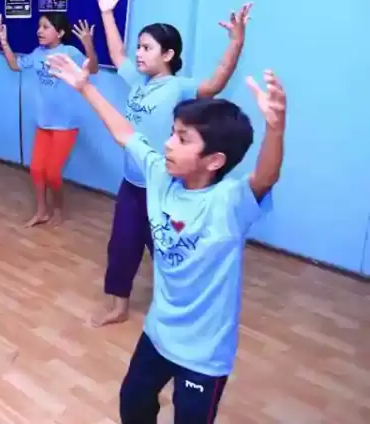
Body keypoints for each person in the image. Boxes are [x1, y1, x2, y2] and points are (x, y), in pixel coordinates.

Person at [46, 51, 284, 424]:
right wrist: (85, 87)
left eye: (182, 139)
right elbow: (126, 133)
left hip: (203, 353)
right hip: (158, 334)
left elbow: (265, 177)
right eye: (172, 133)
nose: (169, 143)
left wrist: (276, 130)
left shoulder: (229, 202)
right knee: (133, 402)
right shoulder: (160, 175)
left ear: (214, 160)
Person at [89, 0, 252, 327]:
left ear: (168, 55)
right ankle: (119, 306)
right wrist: (107, 13)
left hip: (166, 189)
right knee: (122, 245)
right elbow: (116, 54)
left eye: (147, 48)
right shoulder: (139, 82)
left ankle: (181, 304)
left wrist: (236, 43)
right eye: (139, 46)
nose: (139, 53)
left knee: (167, 248)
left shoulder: (179, 87)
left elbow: (216, 83)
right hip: (133, 183)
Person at [0, 13, 98, 227]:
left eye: (45, 27)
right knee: (36, 169)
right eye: (39, 27)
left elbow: (93, 69)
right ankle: (42, 211)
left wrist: (88, 45)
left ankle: (58, 209)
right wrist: (4, 42)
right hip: (44, 122)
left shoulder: (70, 52)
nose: (39, 31)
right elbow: (15, 65)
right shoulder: (37, 53)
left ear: (59, 33)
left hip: (66, 123)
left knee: (52, 173)